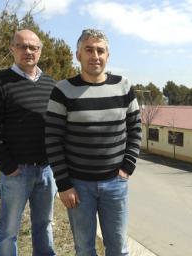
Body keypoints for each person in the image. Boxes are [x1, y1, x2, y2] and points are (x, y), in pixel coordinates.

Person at [45, 29, 142, 256]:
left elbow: (135, 129)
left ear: (108, 55)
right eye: (88, 50)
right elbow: (52, 140)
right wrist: (64, 184)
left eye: (100, 50)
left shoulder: (124, 87)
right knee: (84, 249)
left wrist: (127, 168)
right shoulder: (62, 91)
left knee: (118, 248)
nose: (95, 55)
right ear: (78, 55)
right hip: (78, 187)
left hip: (115, 184)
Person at [0, 29, 57, 256]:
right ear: (12, 49)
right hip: (16, 172)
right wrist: (8, 165)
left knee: (44, 226)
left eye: (33, 47)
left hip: (46, 171)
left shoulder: (51, 85)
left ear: (40, 51)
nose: (28, 51)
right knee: (8, 230)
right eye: (22, 46)